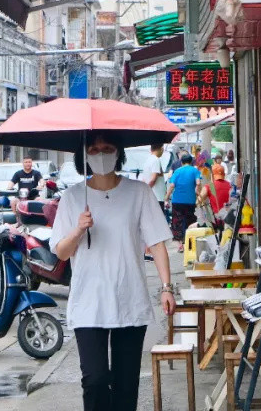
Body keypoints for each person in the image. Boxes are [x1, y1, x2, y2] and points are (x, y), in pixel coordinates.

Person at [50, 134, 174, 411]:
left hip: (129, 297)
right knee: (94, 379)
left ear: (119, 153)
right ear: (84, 155)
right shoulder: (72, 198)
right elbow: (61, 251)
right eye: (94, 149)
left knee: (126, 382)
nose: (101, 154)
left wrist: (166, 287)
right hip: (88, 302)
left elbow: (156, 242)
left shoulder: (138, 192)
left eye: (108, 148)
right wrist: (79, 229)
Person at [165, 154, 200, 251]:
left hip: (177, 201)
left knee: (178, 222)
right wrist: (197, 192)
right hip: (190, 201)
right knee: (190, 221)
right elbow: (198, 183)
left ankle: (180, 245)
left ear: (181, 162)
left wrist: (166, 198)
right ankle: (189, 244)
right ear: (191, 162)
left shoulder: (177, 171)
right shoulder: (195, 170)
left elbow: (172, 186)